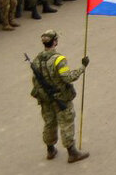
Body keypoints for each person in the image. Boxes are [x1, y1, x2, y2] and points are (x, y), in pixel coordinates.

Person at [28, 29, 89, 163]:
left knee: (49, 122)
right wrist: (82, 67)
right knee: (66, 122)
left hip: (45, 98)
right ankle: (72, 152)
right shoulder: (59, 60)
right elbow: (68, 77)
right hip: (60, 97)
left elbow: (35, 80)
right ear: (55, 42)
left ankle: (50, 150)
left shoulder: (37, 59)